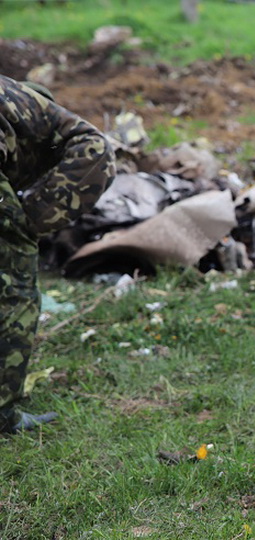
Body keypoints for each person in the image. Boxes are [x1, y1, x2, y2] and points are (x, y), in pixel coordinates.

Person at [1, 75, 116, 434]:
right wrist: (31, 220)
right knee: (13, 290)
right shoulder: (77, 135)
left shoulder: (16, 106)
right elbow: (98, 158)